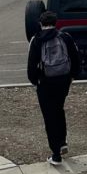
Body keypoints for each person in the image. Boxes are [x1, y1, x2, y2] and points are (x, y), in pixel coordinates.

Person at [28, 11, 80, 165]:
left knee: (49, 116)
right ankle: (63, 141)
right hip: (63, 79)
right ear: (55, 23)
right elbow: (75, 57)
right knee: (59, 109)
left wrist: (35, 80)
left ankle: (56, 154)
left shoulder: (36, 40)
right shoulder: (65, 37)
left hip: (46, 82)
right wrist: (73, 75)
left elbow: (31, 64)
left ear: (41, 24)